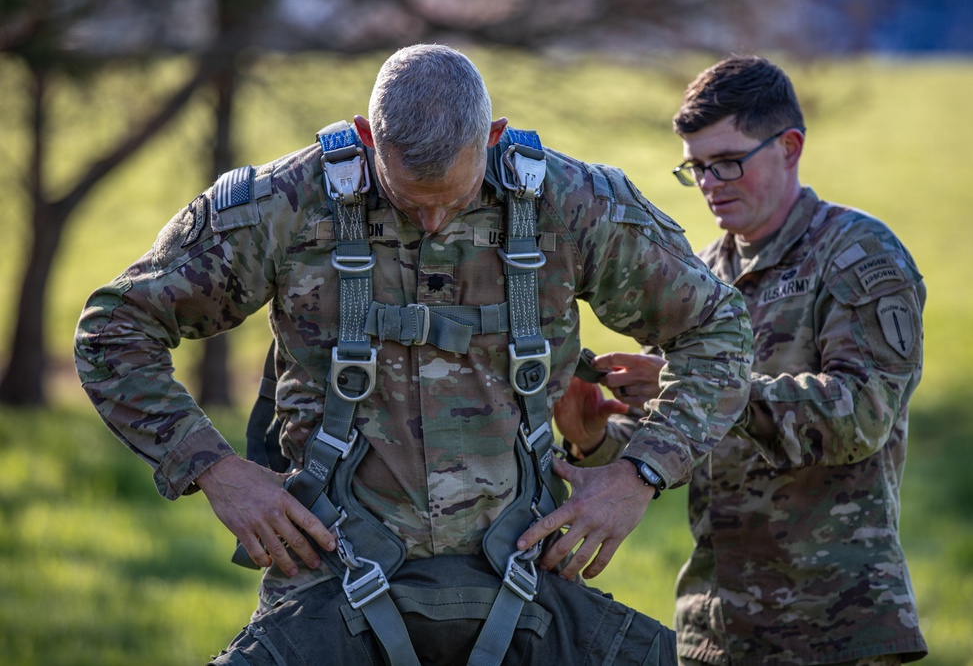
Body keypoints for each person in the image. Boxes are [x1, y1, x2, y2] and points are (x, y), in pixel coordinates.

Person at [74, 44, 753, 664]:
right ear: (368, 139)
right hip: (331, 584)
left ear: (491, 139)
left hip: (526, 582)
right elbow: (114, 330)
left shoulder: (569, 205)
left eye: (451, 199)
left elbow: (718, 327)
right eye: (407, 199)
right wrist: (217, 469)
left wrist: (640, 472)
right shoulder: (285, 204)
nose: (431, 222)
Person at [556, 55, 928, 665]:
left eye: (728, 161)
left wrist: (707, 391)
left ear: (789, 146)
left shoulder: (858, 254)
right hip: (715, 630)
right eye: (695, 168)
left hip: (834, 626)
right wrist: (595, 434)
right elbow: (674, 443)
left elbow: (862, 417)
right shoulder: (701, 275)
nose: (710, 183)